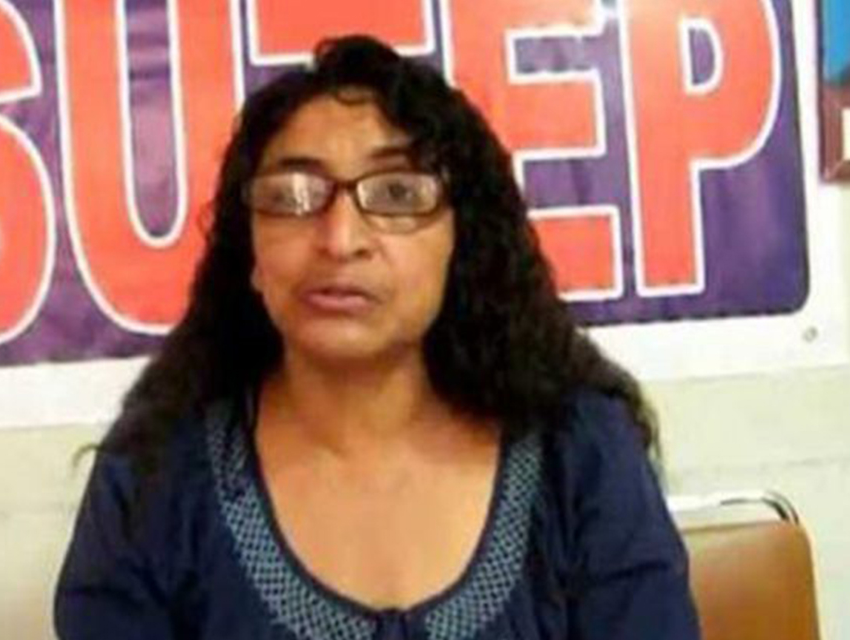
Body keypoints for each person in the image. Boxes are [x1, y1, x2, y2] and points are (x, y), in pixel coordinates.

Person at [54, 35, 699, 640]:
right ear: (250, 250)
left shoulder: (579, 450)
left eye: (396, 193)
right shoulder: (154, 478)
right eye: (293, 195)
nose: (340, 240)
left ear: (462, 241)